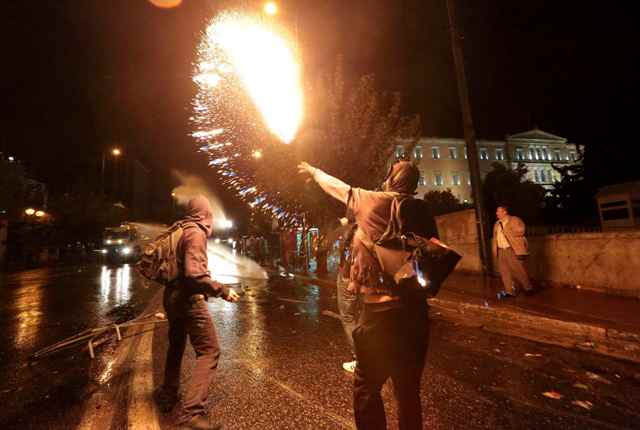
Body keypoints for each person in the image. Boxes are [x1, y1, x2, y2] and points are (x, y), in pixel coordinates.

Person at [298, 160, 429, 430]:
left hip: (380, 316)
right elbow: (434, 257)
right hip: (416, 315)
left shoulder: (372, 201)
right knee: (408, 392)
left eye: (391, 171)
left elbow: (339, 188)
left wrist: (313, 171)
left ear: (393, 180)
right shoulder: (422, 209)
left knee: (367, 388)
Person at [155, 195, 240, 430]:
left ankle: (168, 394)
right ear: (204, 212)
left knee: (176, 345)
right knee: (209, 351)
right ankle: (192, 414)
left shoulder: (180, 228)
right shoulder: (196, 232)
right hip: (187, 298)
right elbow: (194, 274)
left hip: (171, 295)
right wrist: (222, 290)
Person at [492, 205, 534, 299]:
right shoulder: (497, 224)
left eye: (499, 211)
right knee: (504, 272)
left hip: (511, 249)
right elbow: (495, 238)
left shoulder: (514, 220)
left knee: (518, 269)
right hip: (501, 250)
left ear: (505, 212)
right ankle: (509, 291)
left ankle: (528, 287)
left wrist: (508, 231)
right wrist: (494, 249)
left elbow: (522, 230)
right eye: (496, 211)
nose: (497, 213)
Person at [336, 218, 359, 373]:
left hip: (349, 278)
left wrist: (352, 279)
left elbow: (350, 255)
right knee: (360, 317)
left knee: (348, 317)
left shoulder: (354, 232)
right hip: (358, 279)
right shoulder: (370, 228)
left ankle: (359, 359)